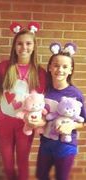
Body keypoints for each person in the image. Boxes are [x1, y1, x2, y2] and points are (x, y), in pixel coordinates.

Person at [0, 22, 46, 180]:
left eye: (28, 43)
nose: (24, 47)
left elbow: (40, 103)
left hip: (25, 125)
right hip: (4, 120)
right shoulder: (4, 66)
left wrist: (35, 120)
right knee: (7, 162)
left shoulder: (39, 72)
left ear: (34, 46)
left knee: (23, 160)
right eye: (20, 43)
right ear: (14, 46)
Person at [36, 43, 86, 180]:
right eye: (56, 65)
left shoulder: (76, 94)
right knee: (41, 175)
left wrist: (72, 125)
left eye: (65, 67)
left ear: (71, 70)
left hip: (66, 145)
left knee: (61, 177)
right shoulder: (45, 91)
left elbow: (84, 122)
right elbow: (42, 114)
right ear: (50, 68)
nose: (60, 69)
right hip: (46, 142)